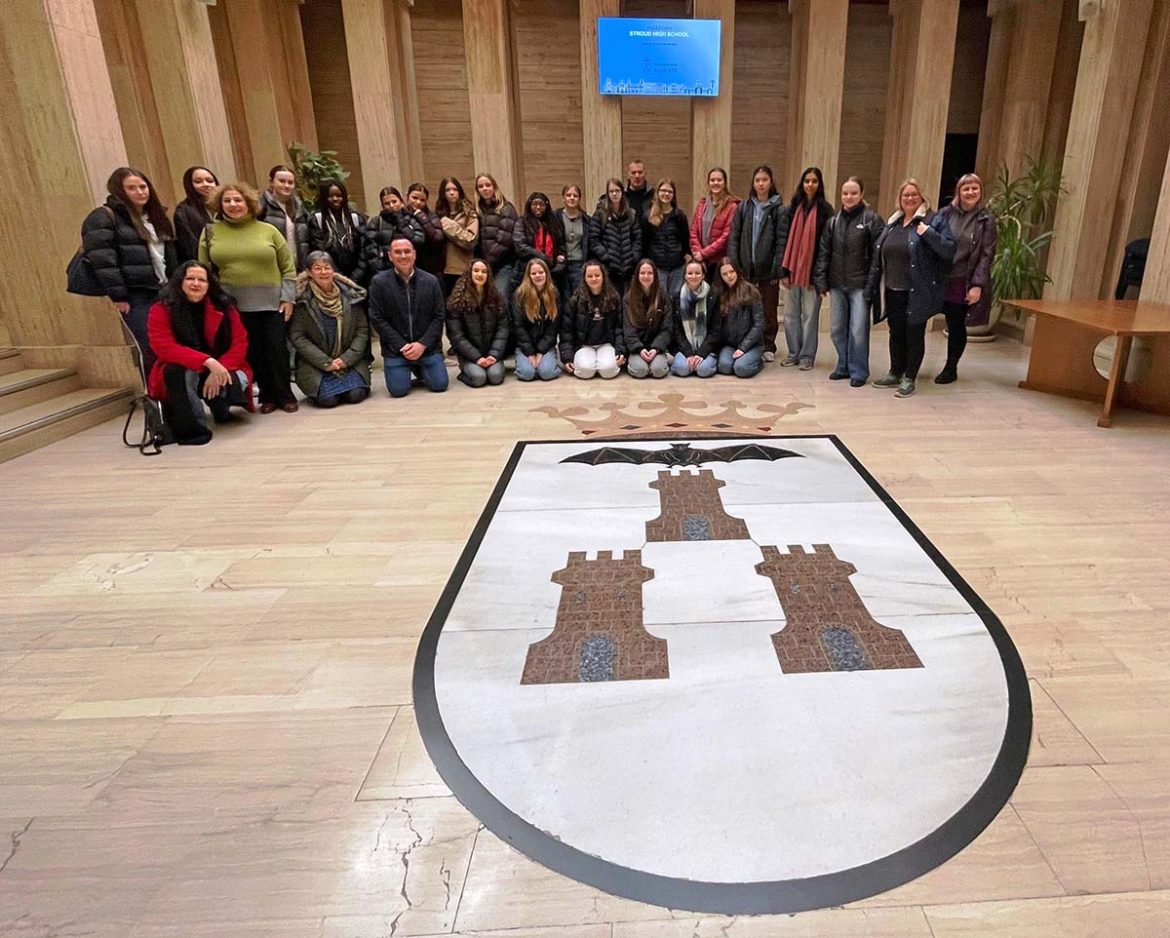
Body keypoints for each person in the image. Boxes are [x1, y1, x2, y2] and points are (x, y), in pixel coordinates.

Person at [199, 181, 298, 413]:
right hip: (233, 305)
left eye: (238, 200)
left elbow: (288, 267)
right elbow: (203, 270)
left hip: (272, 302)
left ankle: (285, 395)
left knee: (277, 349)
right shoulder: (210, 232)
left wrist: (288, 298)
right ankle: (267, 396)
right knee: (253, 351)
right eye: (227, 201)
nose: (233, 204)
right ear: (219, 205)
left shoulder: (269, 230)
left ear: (248, 203)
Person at [81, 166, 176, 378]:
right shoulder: (104, 217)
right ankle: (155, 401)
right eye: (132, 188)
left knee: (170, 345)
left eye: (143, 187)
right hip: (136, 295)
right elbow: (104, 261)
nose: (141, 192)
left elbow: (169, 257)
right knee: (149, 348)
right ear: (119, 191)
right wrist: (119, 296)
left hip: (164, 291)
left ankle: (177, 400)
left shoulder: (156, 216)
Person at [865, 178, 956, 398]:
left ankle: (909, 377)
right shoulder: (894, 223)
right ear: (900, 199)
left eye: (914, 195)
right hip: (893, 289)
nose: (910, 198)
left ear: (922, 197)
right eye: (906, 195)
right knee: (896, 332)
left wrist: (929, 233)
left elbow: (949, 249)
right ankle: (895, 371)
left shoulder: (933, 220)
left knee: (914, 333)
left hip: (918, 290)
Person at [146, 260, 251, 445]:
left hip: (223, 366)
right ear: (180, 282)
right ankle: (194, 426)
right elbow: (163, 347)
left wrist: (218, 369)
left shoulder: (225, 307)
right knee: (177, 373)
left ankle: (221, 407)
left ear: (209, 284)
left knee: (235, 380)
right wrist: (208, 362)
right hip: (186, 367)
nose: (196, 283)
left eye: (201, 280)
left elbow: (240, 343)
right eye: (190, 279)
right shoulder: (162, 308)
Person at [813, 176, 884, 387]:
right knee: (836, 329)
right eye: (845, 193)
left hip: (860, 286)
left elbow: (877, 258)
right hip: (836, 284)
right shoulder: (833, 222)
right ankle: (843, 365)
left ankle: (859, 371)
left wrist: (871, 284)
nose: (849, 197)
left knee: (858, 330)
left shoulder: (871, 220)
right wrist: (821, 281)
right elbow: (824, 252)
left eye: (853, 193)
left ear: (861, 195)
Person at [368, 237, 449, 397]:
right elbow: (377, 318)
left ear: (414, 254)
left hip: (427, 348)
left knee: (440, 385)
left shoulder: (431, 281)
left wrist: (422, 344)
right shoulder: (379, 282)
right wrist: (402, 345)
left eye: (407, 251)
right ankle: (408, 369)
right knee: (398, 391)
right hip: (396, 350)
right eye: (398, 252)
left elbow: (439, 317)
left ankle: (421, 369)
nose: (403, 256)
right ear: (390, 256)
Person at [936, 173, 997, 384]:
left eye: (974, 188)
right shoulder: (945, 214)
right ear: (959, 192)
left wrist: (978, 285)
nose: (970, 192)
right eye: (966, 188)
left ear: (980, 192)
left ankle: (950, 367)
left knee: (955, 324)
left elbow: (986, 254)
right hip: (940, 276)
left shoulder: (986, 219)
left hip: (963, 279)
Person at [289, 251, 370, 408]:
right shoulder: (302, 300)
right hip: (317, 364)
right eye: (317, 268)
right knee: (328, 401)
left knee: (356, 395)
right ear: (309, 273)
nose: (323, 272)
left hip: (348, 361)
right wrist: (326, 363)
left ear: (333, 270)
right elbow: (298, 336)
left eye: (327, 268)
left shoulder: (351, 295)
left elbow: (362, 330)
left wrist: (346, 359)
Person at [727, 165, 787, 363]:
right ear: (753, 183)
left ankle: (768, 344)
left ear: (771, 182)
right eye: (757, 180)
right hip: (746, 269)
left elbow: (781, 241)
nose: (761, 184)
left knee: (768, 309)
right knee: (746, 308)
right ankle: (748, 342)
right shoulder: (744, 207)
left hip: (768, 271)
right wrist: (734, 264)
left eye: (765, 180)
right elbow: (734, 236)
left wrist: (778, 269)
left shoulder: (778, 209)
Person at [777, 166, 834, 370]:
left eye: (814, 181)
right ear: (802, 183)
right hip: (791, 270)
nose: (810, 184)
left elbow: (827, 247)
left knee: (810, 316)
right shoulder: (791, 208)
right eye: (807, 181)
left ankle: (807, 355)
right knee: (791, 315)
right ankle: (793, 352)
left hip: (813, 274)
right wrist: (783, 271)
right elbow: (783, 240)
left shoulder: (826, 211)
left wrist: (818, 277)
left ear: (819, 185)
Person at [446, 259, 509, 388]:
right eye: (476, 271)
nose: (480, 274)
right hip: (470, 356)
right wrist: (477, 358)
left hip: (492, 353)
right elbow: (456, 336)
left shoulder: (497, 298)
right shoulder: (457, 301)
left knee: (495, 377)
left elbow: (503, 329)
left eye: (484, 272)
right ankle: (464, 373)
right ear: (469, 273)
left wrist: (494, 354)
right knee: (479, 378)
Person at [562, 260, 625, 379]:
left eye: (597, 275)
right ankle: (593, 364)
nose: (594, 279)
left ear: (603, 277)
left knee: (608, 371)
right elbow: (566, 331)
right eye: (589, 276)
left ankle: (600, 363)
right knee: (585, 372)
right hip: (584, 345)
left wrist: (620, 351)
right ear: (584, 278)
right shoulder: (575, 300)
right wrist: (567, 357)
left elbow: (619, 327)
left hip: (606, 344)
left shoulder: (614, 298)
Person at [511, 257, 562, 382]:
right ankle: (524, 363)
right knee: (527, 374)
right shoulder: (519, 295)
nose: (538, 276)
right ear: (528, 276)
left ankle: (548, 362)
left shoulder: (554, 293)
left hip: (546, 345)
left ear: (546, 274)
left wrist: (541, 351)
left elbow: (554, 326)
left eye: (541, 272)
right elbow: (518, 327)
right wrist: (530, 352)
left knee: (547, 373)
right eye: (533, 273)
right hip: (524, 346)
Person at [588, 177, 641, 295]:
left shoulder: (631, 214)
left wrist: (633, 257)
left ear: (622, 192)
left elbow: (637, 238)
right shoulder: (600, 214)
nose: (614, 194)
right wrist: (606, 257)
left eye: (617, 191)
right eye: (611, 191)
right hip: (609, 268)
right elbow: (594, 239)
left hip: (628, 267)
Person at [308, 179, 367, 283]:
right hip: (331, 277)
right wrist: (338, 276)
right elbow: (319, 249)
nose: (335, 199)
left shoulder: (356, 218)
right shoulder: (317, 219)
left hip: (358, 278)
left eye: (339, 196)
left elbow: (364, 249)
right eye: (330, 196)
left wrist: (357, 276)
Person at [714, 259, 765, 379]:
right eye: (725, 274)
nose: (729, 276)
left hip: (751, 344)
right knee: (724, 367)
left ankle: (758, 362)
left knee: (741, 369)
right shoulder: (718, 293)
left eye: (732, 271)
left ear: (737, 271)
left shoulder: (751, 291)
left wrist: (743, 348)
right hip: (730, 344)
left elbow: (759, 324)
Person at [623, 258, 673, 379]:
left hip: (657, 347)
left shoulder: (663, 297)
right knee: (640, 371)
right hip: (638, 348)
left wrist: (656, 348)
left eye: (650, 273)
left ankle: (665, 357)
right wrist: (639, 349)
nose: (646, 276)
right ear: (637, 275)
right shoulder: (628, 299)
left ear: (655, 275)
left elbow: (667, 328)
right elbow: (628, 329)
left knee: (658, 370)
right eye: (642, 273)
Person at [670, 259, 720, 377]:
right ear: (685, 276)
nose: (693, 276)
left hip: (707, 348)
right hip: (684, 348)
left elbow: (716, 330)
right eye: (690, 273)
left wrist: (700, 354)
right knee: (682, 369)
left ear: (703, 275)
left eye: (697, 273)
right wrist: (688, 353)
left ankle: (709, 361)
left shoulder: (713, 296)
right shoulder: (676, 297)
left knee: (703, 371)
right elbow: (676, 331)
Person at [690, 167, 740, 283]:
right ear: (708, 183)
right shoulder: (702, 204)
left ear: (725, 183)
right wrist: (698, 253)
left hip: (720, 261)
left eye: (719, 180)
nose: (715, 183)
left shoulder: (732, 206)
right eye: (712, 180)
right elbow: (694, 231)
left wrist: (704, 253)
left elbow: (726, 236)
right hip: (702, 261)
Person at [642, 179, 690, 299]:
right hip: (657, 266)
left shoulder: (680, 216)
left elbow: (685, 240)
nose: (666, 194)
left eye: (670, 191)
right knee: (660, 298)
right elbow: (644, 241)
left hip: (677, 266)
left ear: (673, 195)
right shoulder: (648, 216)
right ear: (657, 193)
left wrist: (684, 257)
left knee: (676, 298)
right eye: (663, 190)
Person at [363, 186, 425, 278]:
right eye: (387, 203)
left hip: (411, 271)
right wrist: (379, 271)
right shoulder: (376, 222)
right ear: (382, 206)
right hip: (384, 272)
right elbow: (371, 250)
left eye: (394, 201)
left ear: (401, 201)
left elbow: (419, 240)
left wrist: (402, 224)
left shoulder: (411, 220)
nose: (392, 206)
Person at [474, 173, 519, 299]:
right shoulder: (477, 211)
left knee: (501, 297)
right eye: (480, 186)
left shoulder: (506, 208)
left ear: (494, 187)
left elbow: (504, 240)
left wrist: (487, 263)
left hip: (504, 264)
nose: (485, 189)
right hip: (483, 265)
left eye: (488, 185)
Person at [256, 164, 309, 270]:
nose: (286, 185)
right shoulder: (260, 206)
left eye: (290, 182)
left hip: (298, 268)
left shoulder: (300, 207)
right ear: (271, 182)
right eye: (282, 181)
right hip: (272, 269)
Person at [435, 176, 479, 295]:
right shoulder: (437, 214)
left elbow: (470, 240)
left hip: (461, 268)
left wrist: (447, 224)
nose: (452, 193)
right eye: (447, 190)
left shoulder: (469, 213)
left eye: (455, 189)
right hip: (440, 268)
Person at [514, 191, 566, 289]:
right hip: (527, 271)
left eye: (541, 205)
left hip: (552, 273)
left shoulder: (554, 223)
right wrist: (542, 257)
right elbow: (520, 246)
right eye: (535, 204)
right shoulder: (522, 222)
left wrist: (559, 266)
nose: (538, 207)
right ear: (529, 205)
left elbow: (561, 247)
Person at [173, 166, 219, 263]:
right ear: (189, 184)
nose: (206, 184)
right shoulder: (183, 211)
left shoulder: (225, 206)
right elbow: (189, 246)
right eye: (198, 182)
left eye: (210, 181)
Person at [406, 183, 446, 277]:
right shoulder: (401, 215)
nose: (418, 202)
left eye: (422, 200)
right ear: (407, 196)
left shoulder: (431, 216)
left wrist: (421, 217)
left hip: (429, 267)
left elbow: (438, 238)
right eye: (414, 198)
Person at [557, 184, 590, 296]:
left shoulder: (586, 220)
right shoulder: (555, 217)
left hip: (579, 264)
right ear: (563, 198)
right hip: (560, 264)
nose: (572, 198)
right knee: (563, 297)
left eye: (575, 196)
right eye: (568, 195)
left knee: (578, 296)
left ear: (579, 199)